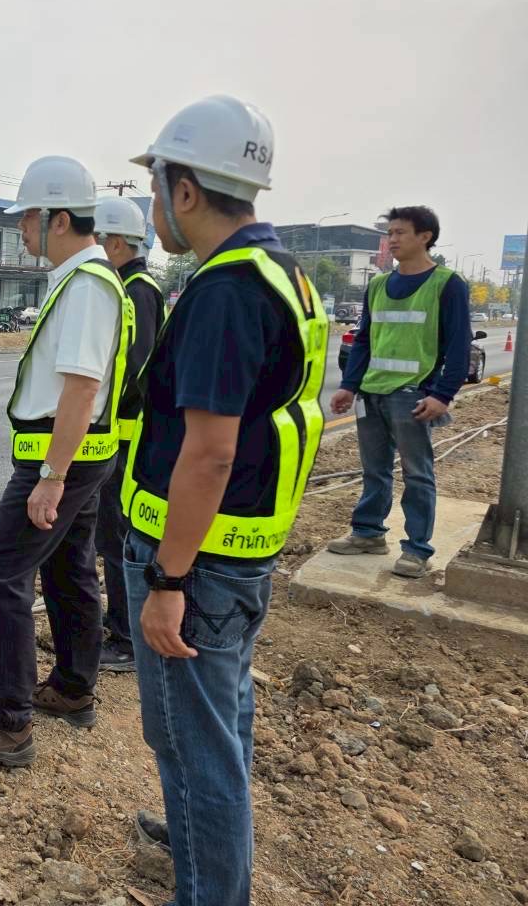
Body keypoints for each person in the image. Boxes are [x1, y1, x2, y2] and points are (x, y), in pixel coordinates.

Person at [122, 95, 327, 906]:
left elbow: (210, 451)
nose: (153, 207)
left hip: (198, 566)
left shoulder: (226, 291)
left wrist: (168, 580)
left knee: (190, 743)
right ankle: (199, 839)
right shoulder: (282, 274)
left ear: (185, 190)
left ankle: (210, 882)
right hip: (238, 554)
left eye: (157, 187)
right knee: (220, 723)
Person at [0, 156, 134, 767]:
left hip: (59, 455)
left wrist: (52, 475)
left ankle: (7, 721)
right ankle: (72, 688)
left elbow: (81, 388)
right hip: (79, 455)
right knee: (69, 569)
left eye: (27, 218)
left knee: (0, 571)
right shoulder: (84, 279)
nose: (19, 228)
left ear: (59, 219)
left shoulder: (87, 285)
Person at [329, 206, 470, 578]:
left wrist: (442, 395)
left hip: (413, 395)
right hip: (371, 392)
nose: (391, 240)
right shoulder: (377, 285)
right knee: (374, 470)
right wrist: (349, 386)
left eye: (399, 233)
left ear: (425, 237)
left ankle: (417, 550)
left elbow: (459, 345)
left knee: (417, 473)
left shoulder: (447, 284)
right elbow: (363, 340)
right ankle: (368, 533)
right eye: (389, 233)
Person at [91, 196, 166, 672]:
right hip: (123, 435)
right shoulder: (131, 286)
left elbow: (132, 369)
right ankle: (120, 622)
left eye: (98, 240)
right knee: (110, 537)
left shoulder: (136, 291)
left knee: (116, 539)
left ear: (116, 243)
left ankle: (124, 638)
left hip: (126, 437)